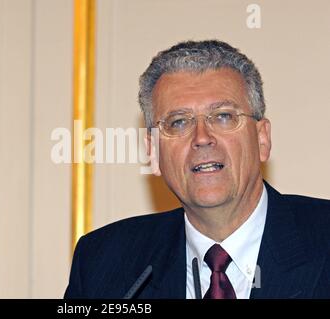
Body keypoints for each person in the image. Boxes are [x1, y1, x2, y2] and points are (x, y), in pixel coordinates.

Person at [64, 40, 330, 299]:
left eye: (224, 116)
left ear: (262, 139)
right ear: (154, 152)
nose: (202, 137)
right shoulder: (104, 262)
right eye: (179, 122)